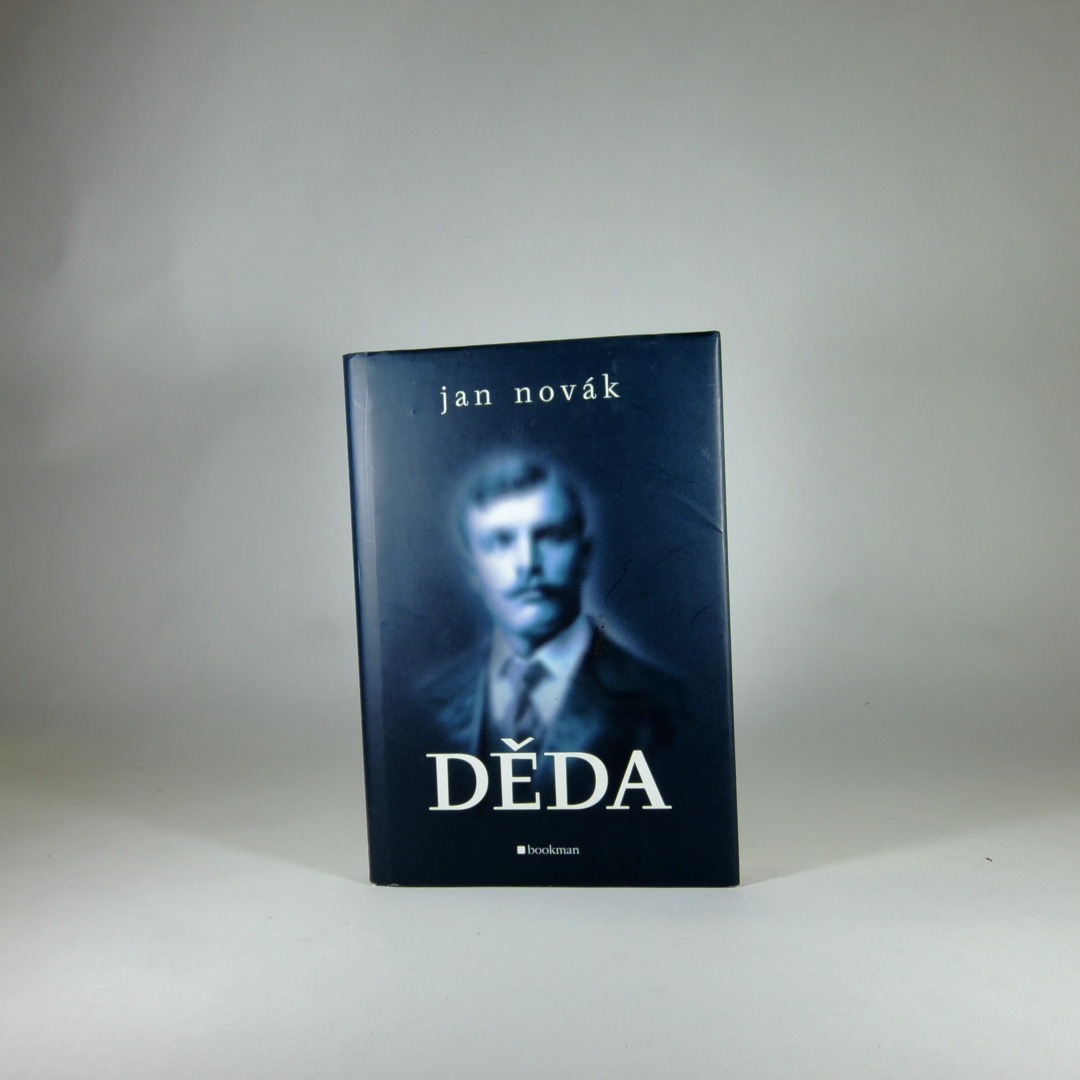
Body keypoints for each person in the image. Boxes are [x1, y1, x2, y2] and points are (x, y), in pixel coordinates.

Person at [416, 452, 685, 789]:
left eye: (551, 536)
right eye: (500, 541)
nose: (528, 563)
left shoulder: (666, 708)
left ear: (584, 556)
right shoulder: (426, 707)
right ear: (472, 570)